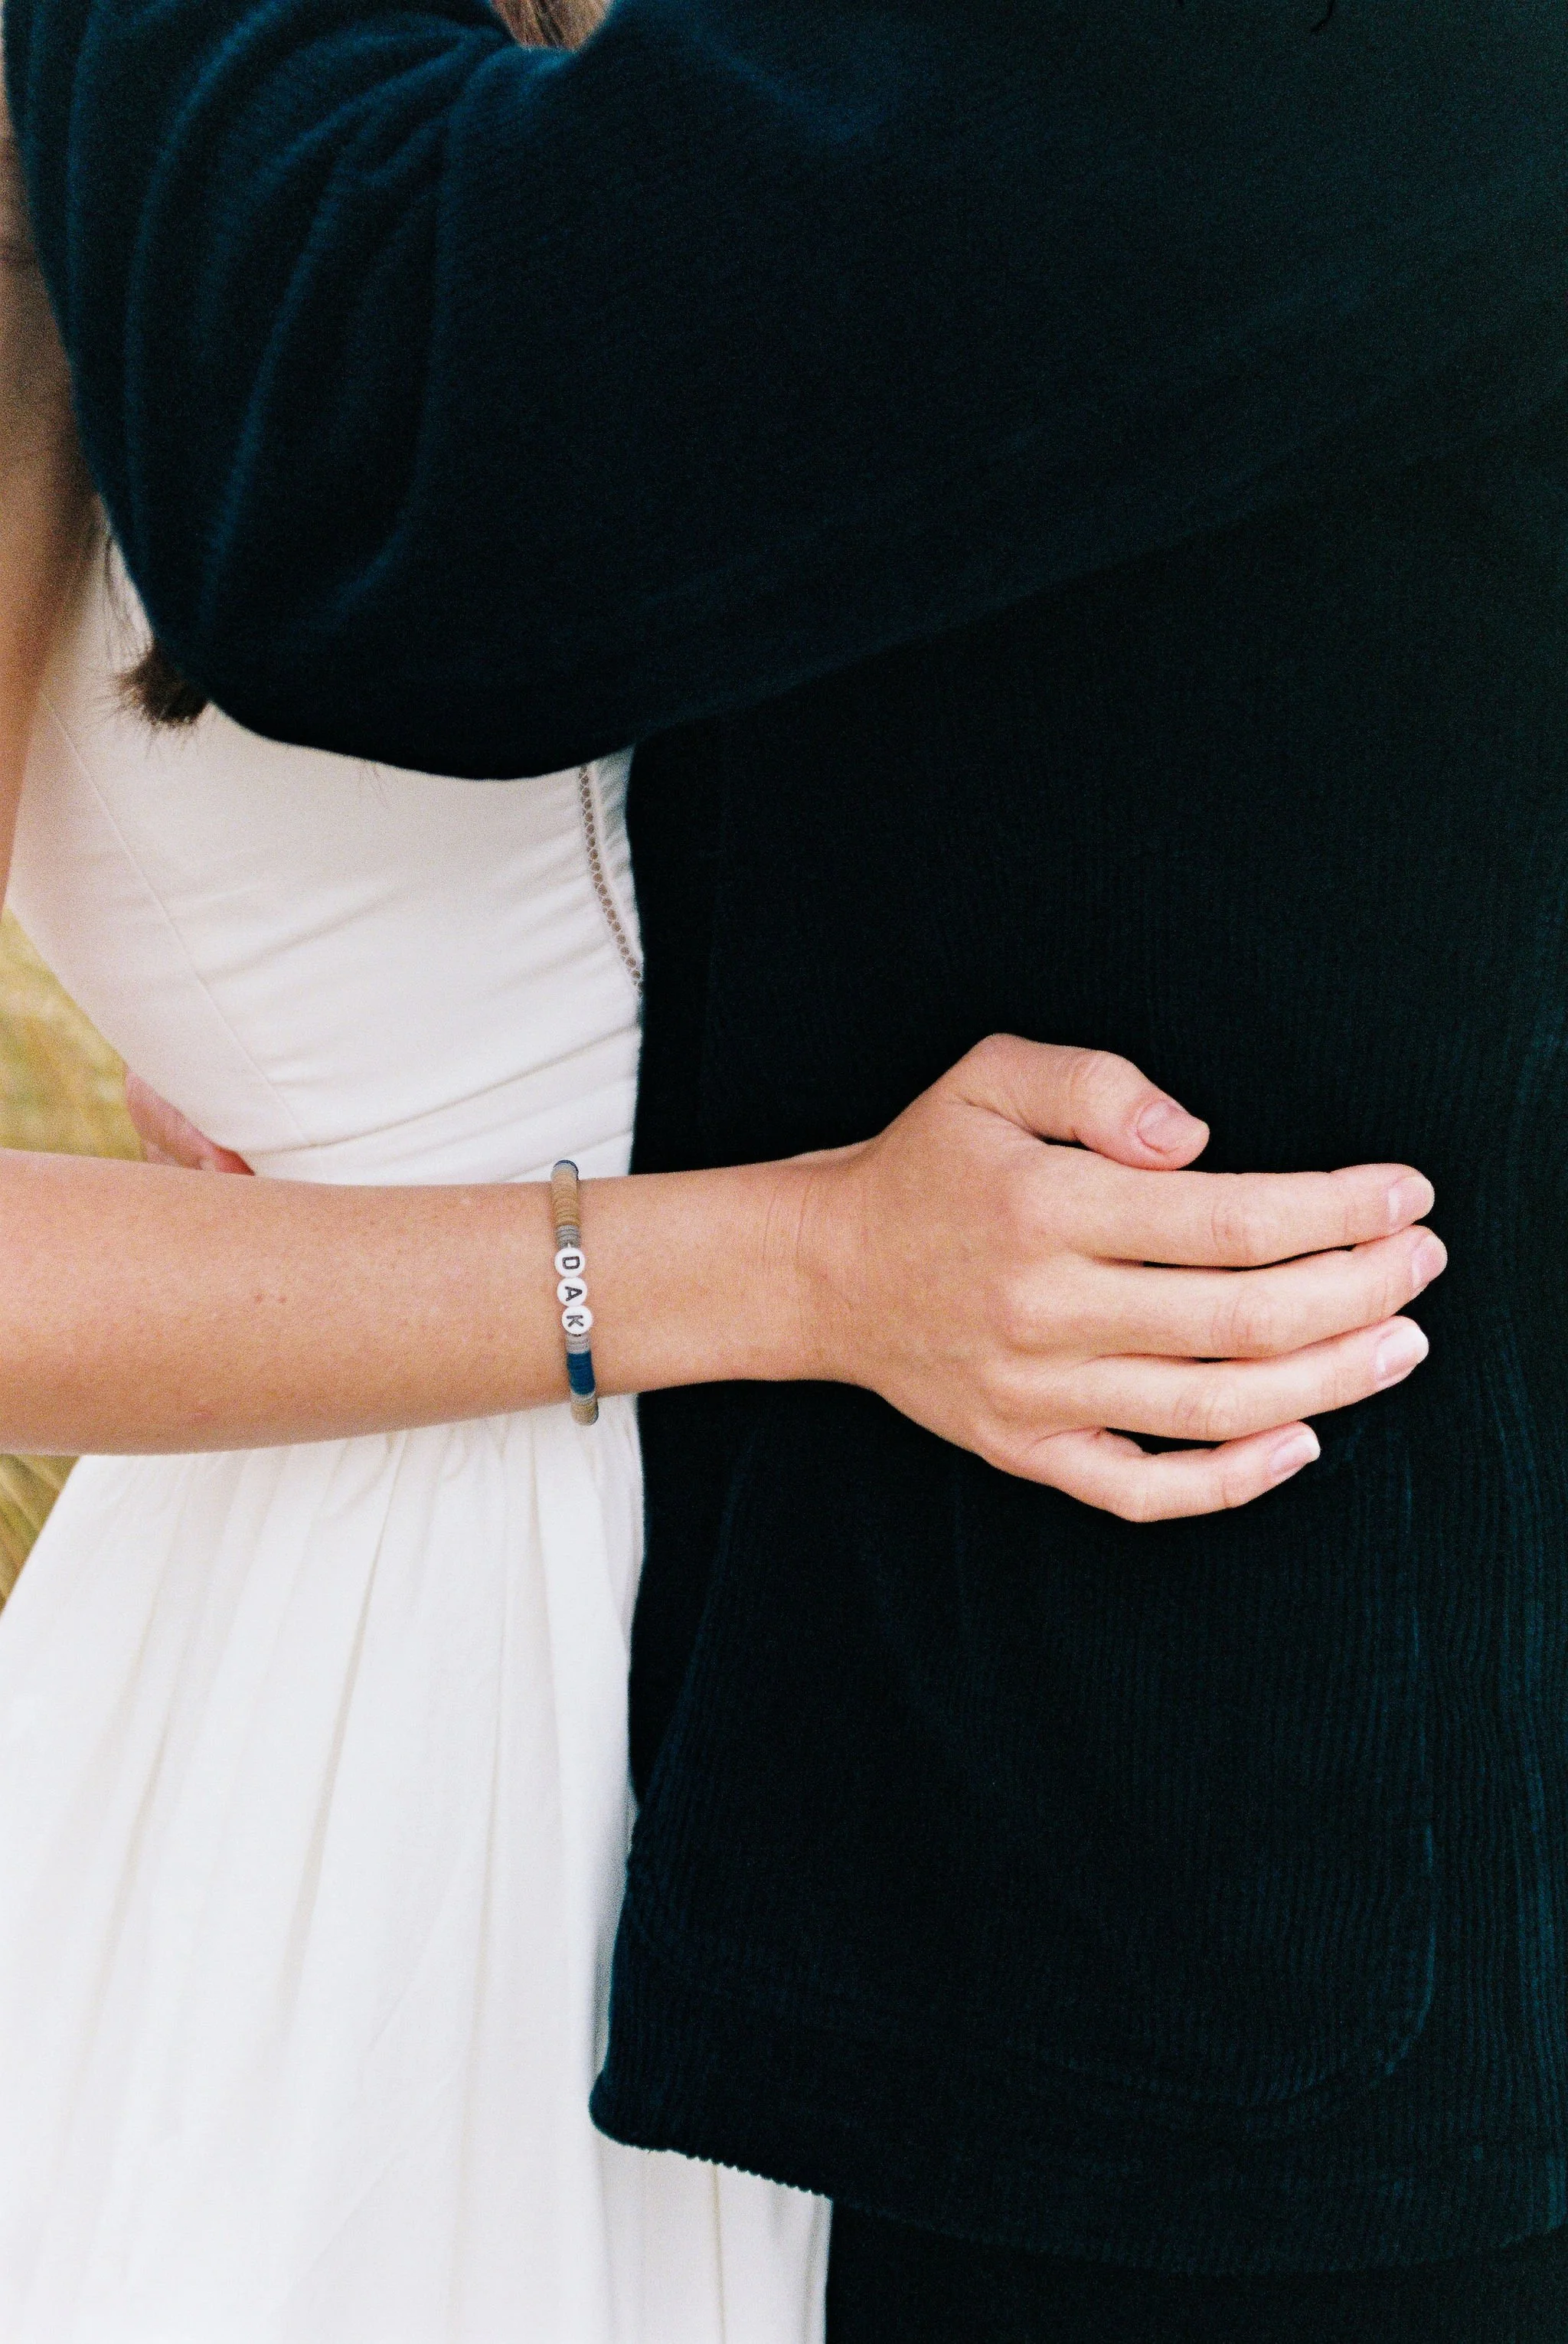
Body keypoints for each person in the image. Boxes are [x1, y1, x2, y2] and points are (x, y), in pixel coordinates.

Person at [12, 0, 1568, 2337]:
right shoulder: (132, 180)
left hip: (988, 1821)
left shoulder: (791, 106)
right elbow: (372, 444)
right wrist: (777, 1260)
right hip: (394, 1713)